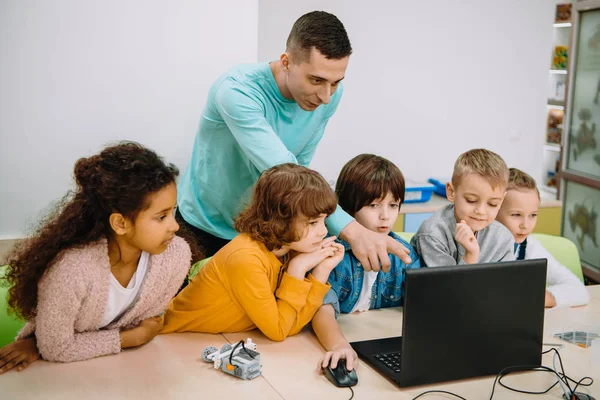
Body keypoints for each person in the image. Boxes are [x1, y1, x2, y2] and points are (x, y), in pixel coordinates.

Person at [176, 10, 410, 269]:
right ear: (286, 62)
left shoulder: (328, 96)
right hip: (204, 226)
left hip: (261, 232)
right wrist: (353, 231)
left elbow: (302, 169)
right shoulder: (236, 91)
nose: (326, 97)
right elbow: (289, 173)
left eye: (335, 82)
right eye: (316, 80)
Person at [0, 142, 198, 373]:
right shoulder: (71, 270)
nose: (174, 226)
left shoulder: (176, 255)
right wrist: (128, 339)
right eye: (161, 216)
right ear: (120, 223)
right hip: (60, 374)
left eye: (173, 211)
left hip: (120, 369)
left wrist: (124, 336)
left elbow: (146, 322)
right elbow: (57, 347)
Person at [161, 164, 345, 341]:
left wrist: (321, 272)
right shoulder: (246, 258)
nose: (323, 231)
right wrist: (297, 269)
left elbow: (291, 325)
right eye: (313, 223)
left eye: (324, 220)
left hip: (209, 341)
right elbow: (279, 331)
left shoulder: (290, 251)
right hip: (170, 340)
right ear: (281, 219)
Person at [311, 154, 422, 372]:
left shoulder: (403, 253)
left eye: (393, 205)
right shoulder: (331, 252)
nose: (385, 216)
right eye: (373, 205)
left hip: (379, 343)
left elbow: (425, 300)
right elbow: (320, 308)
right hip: (338, 343)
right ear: (347, 207)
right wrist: (339, 345)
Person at [496, 168, 589, 308]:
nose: (525, 225)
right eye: (516, 215)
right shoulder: (475, 246)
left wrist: (543, 297)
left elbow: (580, 291)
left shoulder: (530, 249)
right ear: (493, 211)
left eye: (533, 215)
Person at [411, 149, 515, 266]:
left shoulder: (503, 238)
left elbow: (505, 282)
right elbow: (446, 284)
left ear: (501, 200)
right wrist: (470, 256)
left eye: (492, 204)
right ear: (451, 192)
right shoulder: (432, 235)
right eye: (471, 200)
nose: (481, 211)